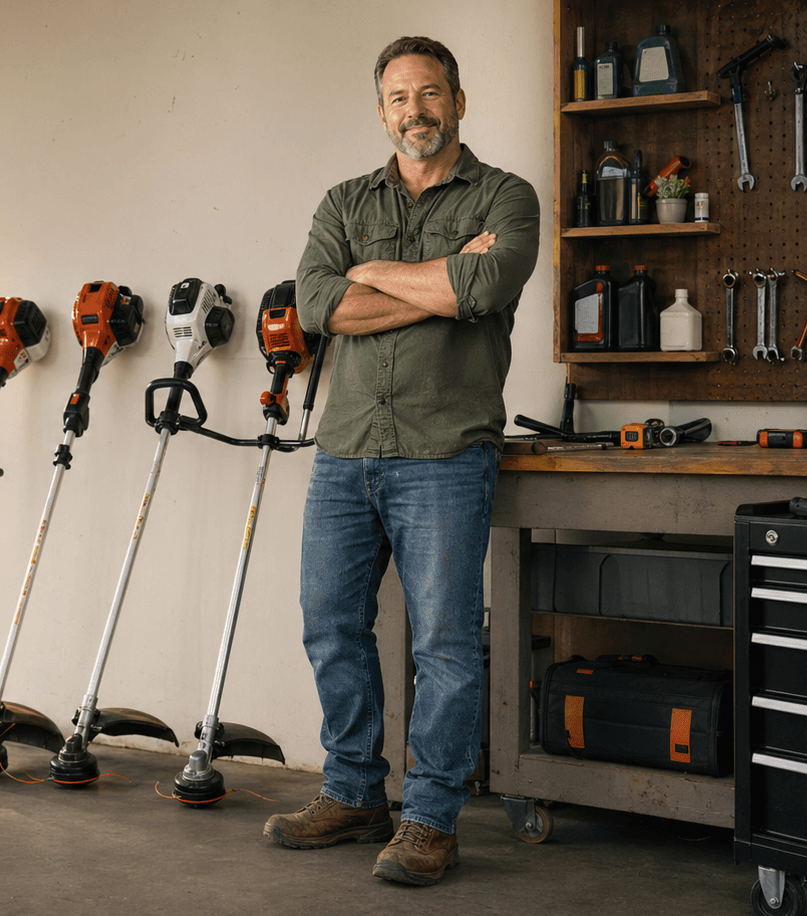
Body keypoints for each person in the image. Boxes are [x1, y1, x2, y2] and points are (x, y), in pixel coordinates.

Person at [262, 36, 539, 887]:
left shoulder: (506, 196)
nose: (413, 110)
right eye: (397, 97)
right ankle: (353, 795)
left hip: (443, 452)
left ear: (458, 100)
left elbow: (482, 288)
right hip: (345, 449)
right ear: (380, 111)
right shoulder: (343, 200)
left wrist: (376, 272)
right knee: (329, 627)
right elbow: (317, 306)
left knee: (444, 646)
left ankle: (428, 819)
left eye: (428, 93)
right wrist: (441, 286)